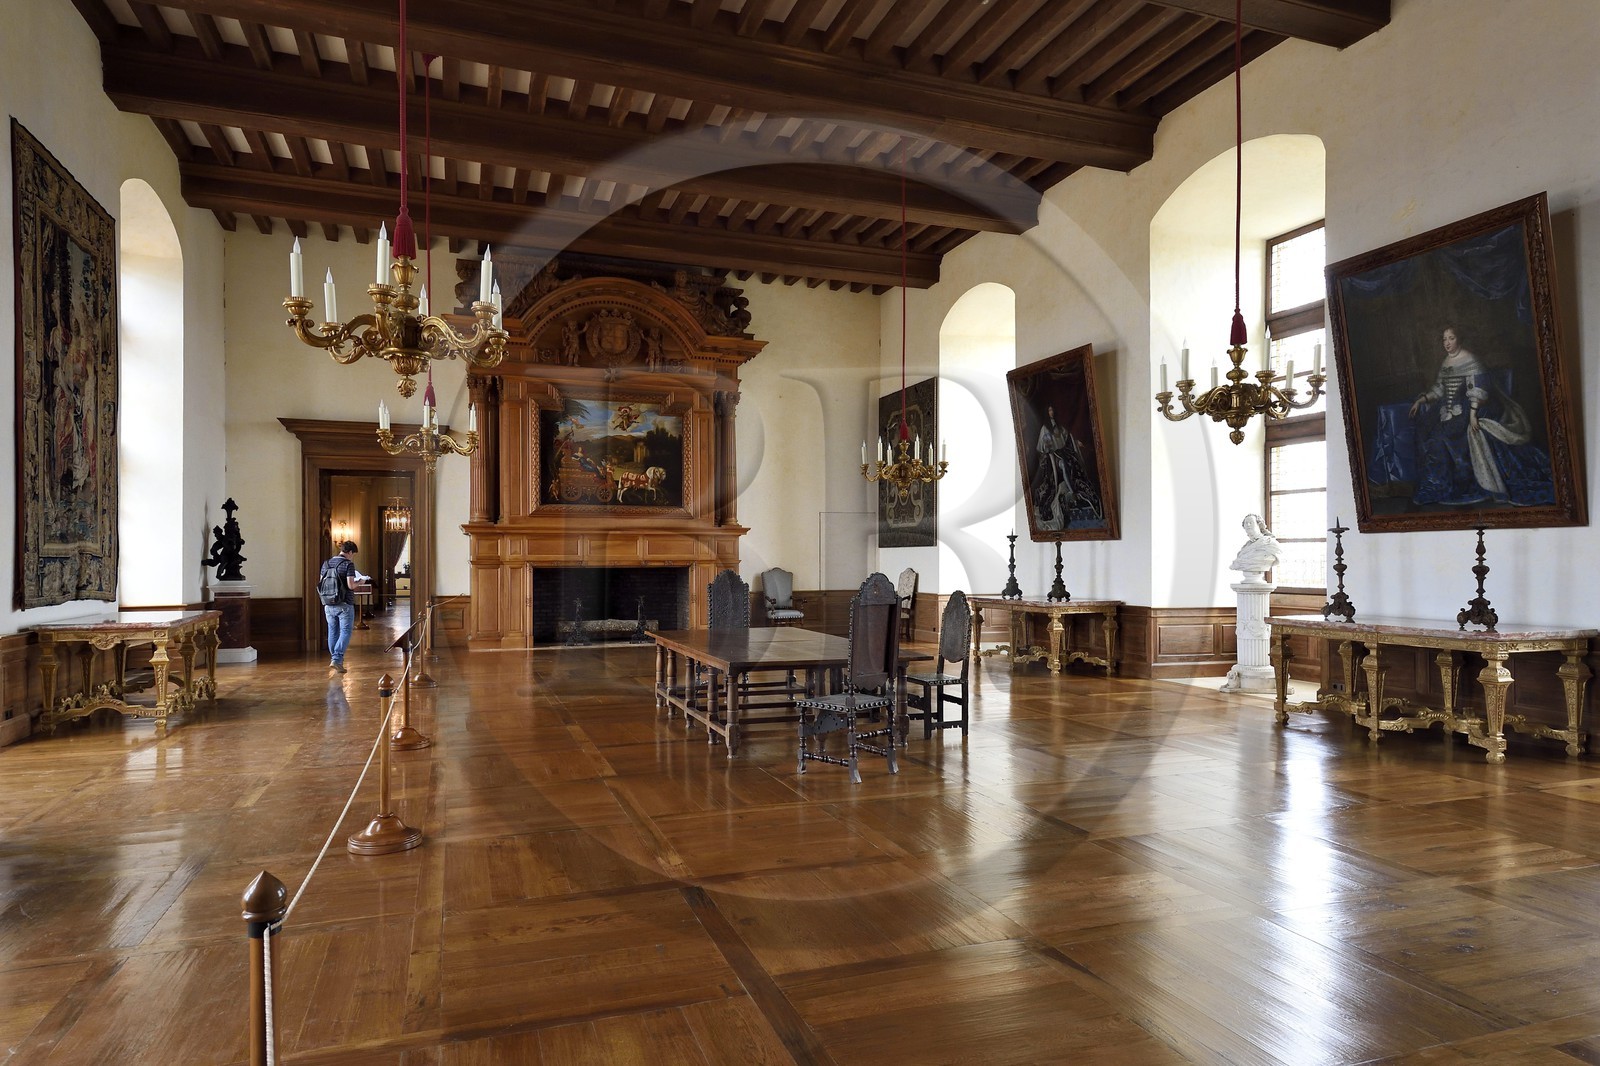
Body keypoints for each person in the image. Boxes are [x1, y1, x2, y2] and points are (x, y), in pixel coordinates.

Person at [1406, 326, 1553, 507]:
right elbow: (1439, 389)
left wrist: (1473, 415)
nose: (1447, 343)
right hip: (1448, 411)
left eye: (1451, 338)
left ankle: (1455, 483)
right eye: (1444, 339)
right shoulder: (1446, 362)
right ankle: (1436, 485)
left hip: (1473, 408)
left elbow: (1480, 389)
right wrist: (1421, 400)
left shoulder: (1471, 360)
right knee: (1426, 432)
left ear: (1459, 339)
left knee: (1442, 438)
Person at [320, 540, 367, 673]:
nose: (353, 556)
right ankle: (336, 658)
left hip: (328, 603)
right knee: (345, 631)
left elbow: (321, 582)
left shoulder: (326, 563)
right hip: (344, 603)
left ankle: (335, 660)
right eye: (353, 554)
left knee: (332, 631)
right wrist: (361, 582)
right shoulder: (348, 564)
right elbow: (351, 585)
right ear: (350, 552)